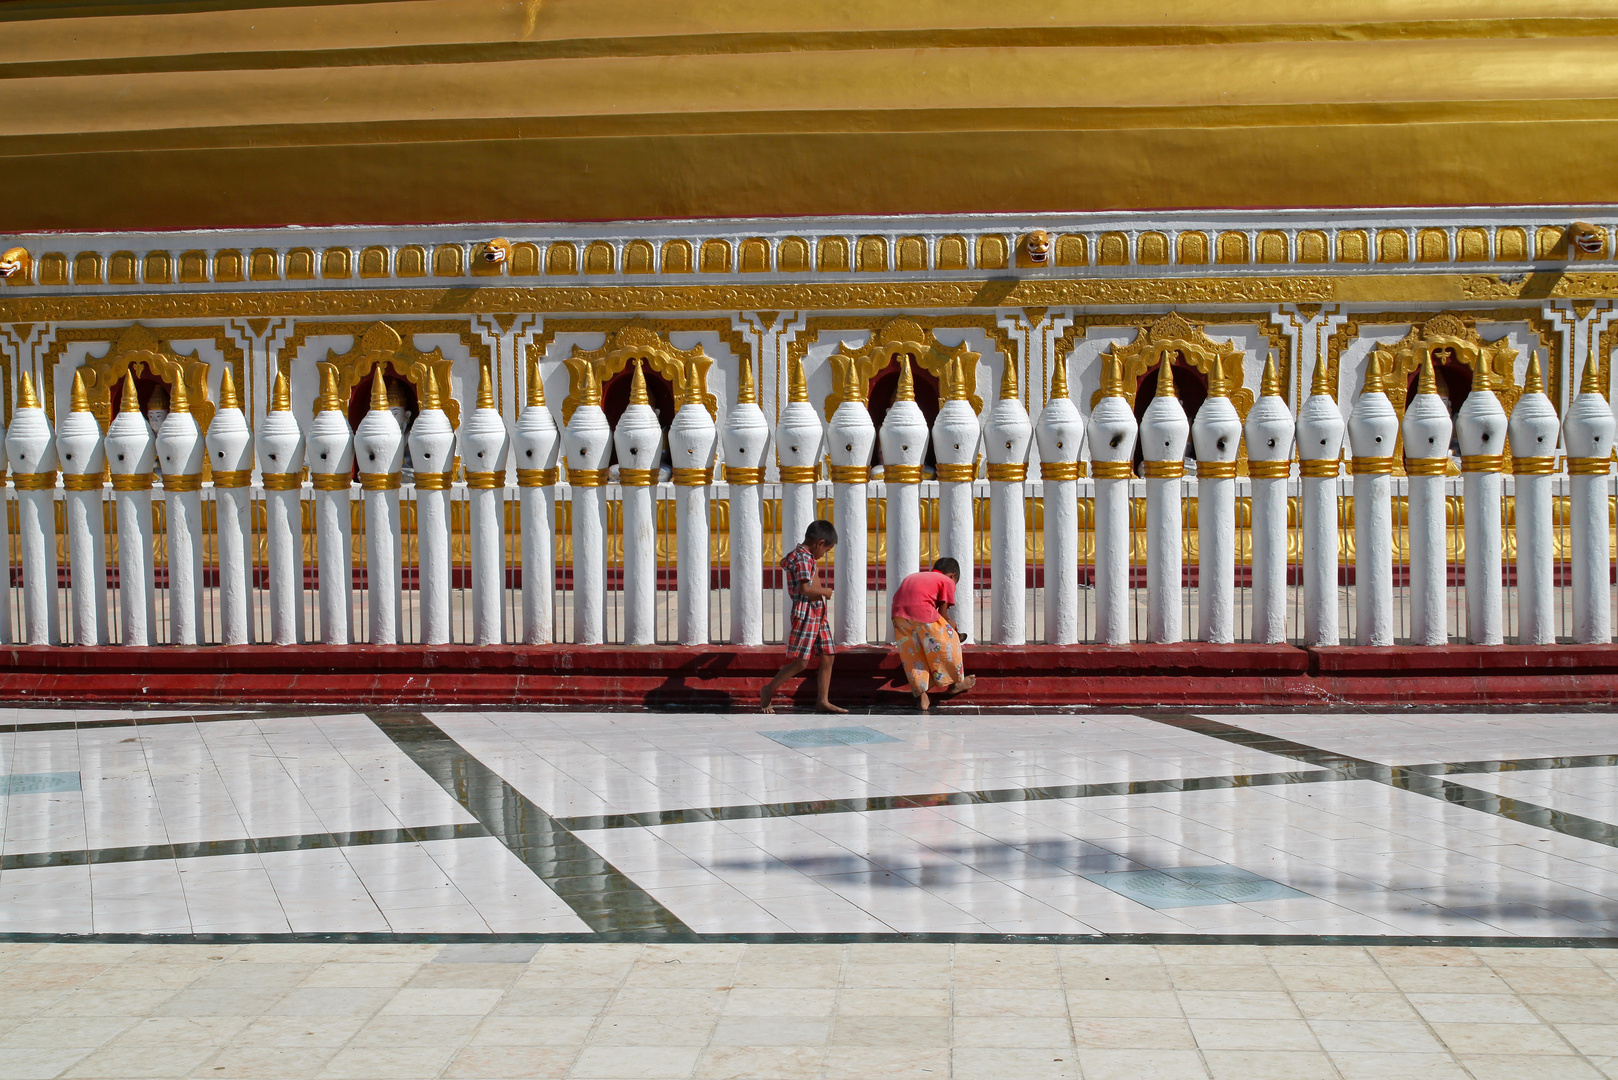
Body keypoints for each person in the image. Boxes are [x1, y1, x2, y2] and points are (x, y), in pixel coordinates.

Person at [760, 520, 845, 714]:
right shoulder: (804, 558)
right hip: (806, 612)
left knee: (828, 656)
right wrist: (825, 591)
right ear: (819, 543)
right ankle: (768, 689)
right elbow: (805, 588)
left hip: (817, 612)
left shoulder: (802, 555)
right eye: (827, 550)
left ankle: (822, 700)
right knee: (801, 662)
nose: (825, 555)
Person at [890, 557, 975, 711]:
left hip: (898, 616)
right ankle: (955, 683)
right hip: (923, 614)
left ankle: (921, 695)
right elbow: (942, 615)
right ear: (952, 576)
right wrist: (951, 626)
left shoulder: (915, 576)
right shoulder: (946, 581)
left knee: (913, 656)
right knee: (949, 641)